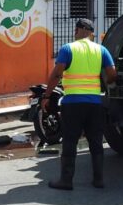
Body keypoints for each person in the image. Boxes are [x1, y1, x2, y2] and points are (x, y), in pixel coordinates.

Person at [43, 18, 117, 190]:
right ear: (91, 34)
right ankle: (98, 179)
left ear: (76, 31)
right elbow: (112, 74)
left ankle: (66, 181)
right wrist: (105, 84)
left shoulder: (68, 49)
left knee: (70, 140)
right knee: (96, 141)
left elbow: (56, 75)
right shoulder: (101, 50)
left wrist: (47, 96)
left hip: (73, 103)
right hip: (95, 103)